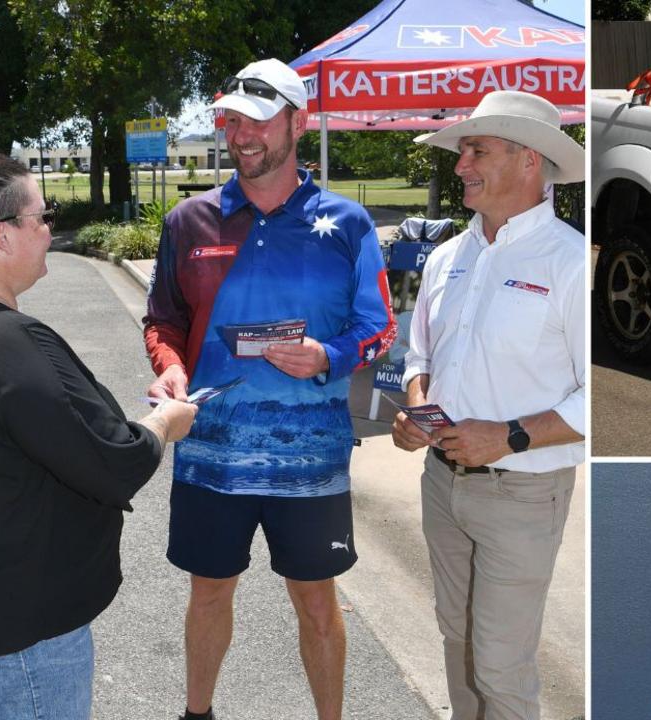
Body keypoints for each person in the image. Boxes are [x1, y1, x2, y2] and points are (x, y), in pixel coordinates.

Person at [143, 58, 395, 720]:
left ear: (297, 122)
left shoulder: (348, 224)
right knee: (209, 592)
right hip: (209, 453)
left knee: (316, 602)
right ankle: (197, 715)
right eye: (231, 121)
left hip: (312, 459)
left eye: (257, 120)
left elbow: (379, 329)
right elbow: (163, 320)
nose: (241, 135)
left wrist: (327, 357)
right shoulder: (188, 221)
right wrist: (169, 364)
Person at [0, 152, 198, 718]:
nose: (51, 226)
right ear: (3, 236)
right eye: (44, 214)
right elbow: (113, 460)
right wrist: (164, 423)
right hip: (18, 636)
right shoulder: (9, 344)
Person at [390, 90, 585, 720]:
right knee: (458, 641)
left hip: (523, 493)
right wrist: (417, 411)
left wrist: (510, 437)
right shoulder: (450, 255)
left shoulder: (570, 262)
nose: (460, 165)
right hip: (442, 483)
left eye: (476, 149)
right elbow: (422, 354)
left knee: (501, 667)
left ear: (529, 160)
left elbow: (596, 398)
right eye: (461, 150)